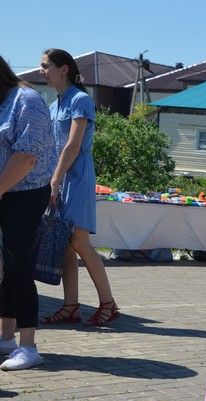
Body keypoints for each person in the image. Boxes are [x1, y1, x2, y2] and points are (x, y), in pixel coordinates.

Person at [40, 49, 119, 326]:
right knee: (65, 244)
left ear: (64, 69)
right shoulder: (54, 105)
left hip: (77, 175)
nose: (42, 71)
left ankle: (108, 303)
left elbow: (73, 146)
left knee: (79, 241)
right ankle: (70, 306)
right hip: (59, 175)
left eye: (46, 66)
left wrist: (55, 178)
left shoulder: (81, 100)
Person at [0, 56, 55, 370]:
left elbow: (26, 157)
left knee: (19, 267)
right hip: (5, 192)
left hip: (25, 194)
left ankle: (29, 345)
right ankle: (6, 336)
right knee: (5, 267)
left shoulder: (27, 100)